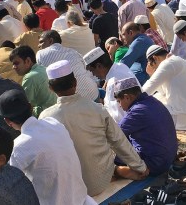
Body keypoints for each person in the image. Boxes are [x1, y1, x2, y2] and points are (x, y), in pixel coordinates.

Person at [39, 60, 149, 196]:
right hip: (102, 180)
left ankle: (116, 170)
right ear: (75, 82)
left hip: (73, 188)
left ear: (50, 88)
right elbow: (119, 141)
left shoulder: (45, 118)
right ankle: (115, 170)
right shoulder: (97, 109)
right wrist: (140, 167)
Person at [0, 89, 93, 205]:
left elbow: (11, 186)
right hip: (81, 198)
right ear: (31, 107)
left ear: (7, 121)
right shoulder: (54, 123)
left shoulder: (18, 147)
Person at [113, 77, 178, 177]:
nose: (119, 106)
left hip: (155, 164)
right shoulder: (152, 101)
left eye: (119, 101)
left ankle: (126, 171)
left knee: (107, 151)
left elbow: (113, 134)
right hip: (168, 157)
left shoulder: (137, 111)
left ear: (127, 97)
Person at [142, 45, 186, 130]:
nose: (155, 69)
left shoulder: (167, 64)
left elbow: (146, 91)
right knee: (156, 97)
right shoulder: (177, 60)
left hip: (185, 119)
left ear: (155, 58)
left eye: (153, 65)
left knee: (146, 105)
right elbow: (163, 92)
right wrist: (151, 74)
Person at [35, 30, 99, 101]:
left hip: (69, 101)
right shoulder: (73, 52)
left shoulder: (40, 54)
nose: (39, 46)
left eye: (41, 42)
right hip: (92, 94)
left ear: (50, 40)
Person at [84, 47, 135, 122]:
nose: (93, 75)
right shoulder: (120, 66)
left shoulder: (113, 81)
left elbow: (118, 116)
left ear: (99, 66)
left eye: (92, 71)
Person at [9, 45, 57, 116]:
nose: (14, 67)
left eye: (16, 63)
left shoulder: (30, 77)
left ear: (28, 61)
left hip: (45, 115)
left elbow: (24, 105)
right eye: (13, 64)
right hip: (55, 110)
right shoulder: (43, 68)